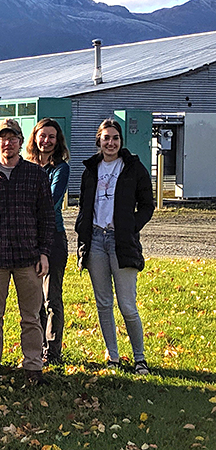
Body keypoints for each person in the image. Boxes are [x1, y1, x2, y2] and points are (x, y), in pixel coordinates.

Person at [0, 119, 54, 386]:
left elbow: (46, 217)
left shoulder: (36, 174)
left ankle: (33, 366)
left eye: (13, 137)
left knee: (31, 316)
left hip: (28, 257)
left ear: (20, 141)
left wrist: (44, 252)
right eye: (3, 138)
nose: (8, 142)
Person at [75, 119, 154, 375]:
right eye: (106, 138)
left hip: (121, 242)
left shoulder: (132, 167)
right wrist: (82, 232)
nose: (111, 143)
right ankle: (114, 357)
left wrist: (131, 226)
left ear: (121, 142)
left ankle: (139, 358)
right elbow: (84, 205)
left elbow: (147, 204)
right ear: (99, 140)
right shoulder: (91, 169)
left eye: (115, 138)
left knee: (127, 305)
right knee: (103, 303)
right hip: (96, 240)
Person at [23, 118, 71, 365]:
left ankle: (52, 351)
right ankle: (36, 346)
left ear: (57, 140)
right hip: (28, 238)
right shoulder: (26, 165)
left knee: (51, 298)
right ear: (35, 138)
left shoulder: (60, 168)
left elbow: (50, 201)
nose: (47, 140)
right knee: (34, 299)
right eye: (43, 136)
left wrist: (23, 206)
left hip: (52, 237)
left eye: (52, 136)